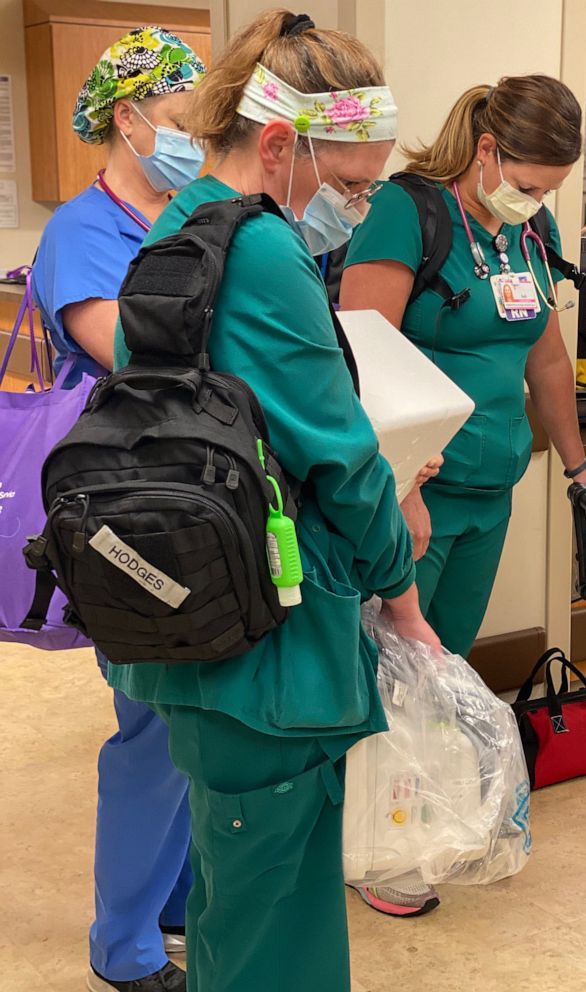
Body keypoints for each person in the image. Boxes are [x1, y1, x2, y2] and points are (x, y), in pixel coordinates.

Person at [106, 10, 439, 992]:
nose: (358, 204)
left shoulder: (176, 227)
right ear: (282, 143)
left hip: (198, 618)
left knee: (238, 891)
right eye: (348, 183)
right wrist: (403, 595)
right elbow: (339, 455)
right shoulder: (260, 251)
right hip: (273, 650)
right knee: (276, 916)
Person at [340, 75, 586, 917]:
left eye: (548, 191)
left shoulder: (531, 229)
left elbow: (546, 360)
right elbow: (359, 362)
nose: (536, 202)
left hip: (491, 490)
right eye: (527, 184)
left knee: (442, 666)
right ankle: (375, 848)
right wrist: (399, 489)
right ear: (487, 150)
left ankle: (413, 819)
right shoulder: (407, 214)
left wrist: (577, 464)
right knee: (387, 671)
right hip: (417, 496)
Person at [32, 27, 206, 992]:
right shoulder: (84, 231)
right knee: (150, 721)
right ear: (130, 118)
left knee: (189, 715)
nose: (191, 141)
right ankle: (125, 948)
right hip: (124, 510)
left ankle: (174, 902)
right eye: (181, 124)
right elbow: (127, 354)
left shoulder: (190, 212)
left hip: (197, 498)